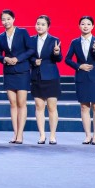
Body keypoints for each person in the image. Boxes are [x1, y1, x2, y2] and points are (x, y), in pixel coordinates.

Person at [65, 16, 95, 145]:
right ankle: (88, 135)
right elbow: (67, 59)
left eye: (88, 24)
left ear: (93, 26)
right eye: (83, 24)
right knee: (84, 107)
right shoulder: (75, 42)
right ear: (79, 26)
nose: (85, 26)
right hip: (82, 77)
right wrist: (79, 66)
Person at [0, 9, 34, 144]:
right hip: (9, 72)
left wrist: (18, 59)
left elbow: (31, 50)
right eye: (3, 19)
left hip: (22, 71)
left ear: (13, 19)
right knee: (13, 103)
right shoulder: (1, 36)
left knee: (21, 103)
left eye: (8, 19)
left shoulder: (22, 32)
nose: (6, 22)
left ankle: (20, 135)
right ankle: (15, 133)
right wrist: (4, 58)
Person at [29, 15, 62, 145]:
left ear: (48, 26)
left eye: (43, 24)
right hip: (36, 76)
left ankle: (52, 135)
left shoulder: (54, 40)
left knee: (52, 107)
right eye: (38, 24)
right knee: (39, 106)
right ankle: (42, 135)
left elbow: (58, 59)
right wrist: (34, 61)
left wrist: (56, 52)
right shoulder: (30, 40)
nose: (40, 26)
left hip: (51, 77)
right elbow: (28, 57)